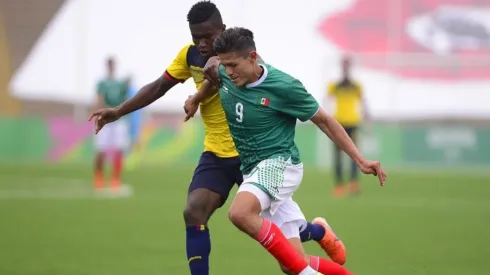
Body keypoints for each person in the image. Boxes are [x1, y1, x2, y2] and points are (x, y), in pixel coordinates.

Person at [88, 2, 340, 274]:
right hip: (217, 155)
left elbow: (248, 83)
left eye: (208, 37)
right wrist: (118, 111)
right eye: (196, 38)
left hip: (256, 160)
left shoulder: (242, 61)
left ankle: (315, 230)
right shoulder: (190, 56)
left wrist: (201, 91)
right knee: (194, 211)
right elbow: (160, 86)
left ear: (223, 29)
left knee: (291, 262)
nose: (203, 43)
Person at [185, 27, 386, 275]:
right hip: (253, 170)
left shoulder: (284, 86)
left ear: (252, 57)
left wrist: (359, 159)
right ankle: (322, 247)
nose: (229, 72)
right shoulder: (226, 73)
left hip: (281, 164)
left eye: (233, 65)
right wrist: (196, 98)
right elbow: (214, 76)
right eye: (225, 65)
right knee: (291, 264)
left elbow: (325, 120)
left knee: (239, 213)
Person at [325, 56, 369, 197]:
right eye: (343, 65)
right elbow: (326, 101)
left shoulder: (356, 86)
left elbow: (363, 102)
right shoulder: (335, 85)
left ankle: (353, 183)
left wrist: (367, 120)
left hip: (353, 122)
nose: (345, 68)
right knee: (337, 155)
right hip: (338, 123)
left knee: (354, 154)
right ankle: (339, 185)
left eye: (347, 65)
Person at [93, 57, 129, 191]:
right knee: (101, 149)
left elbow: (125, 101)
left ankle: (115, 179)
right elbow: (98, 99)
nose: (111, 68)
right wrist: (99, 114)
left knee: (119, 149)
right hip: (105, 119)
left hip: (118, 120)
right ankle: (99, 177)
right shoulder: (102, 83)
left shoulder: (120, 84)